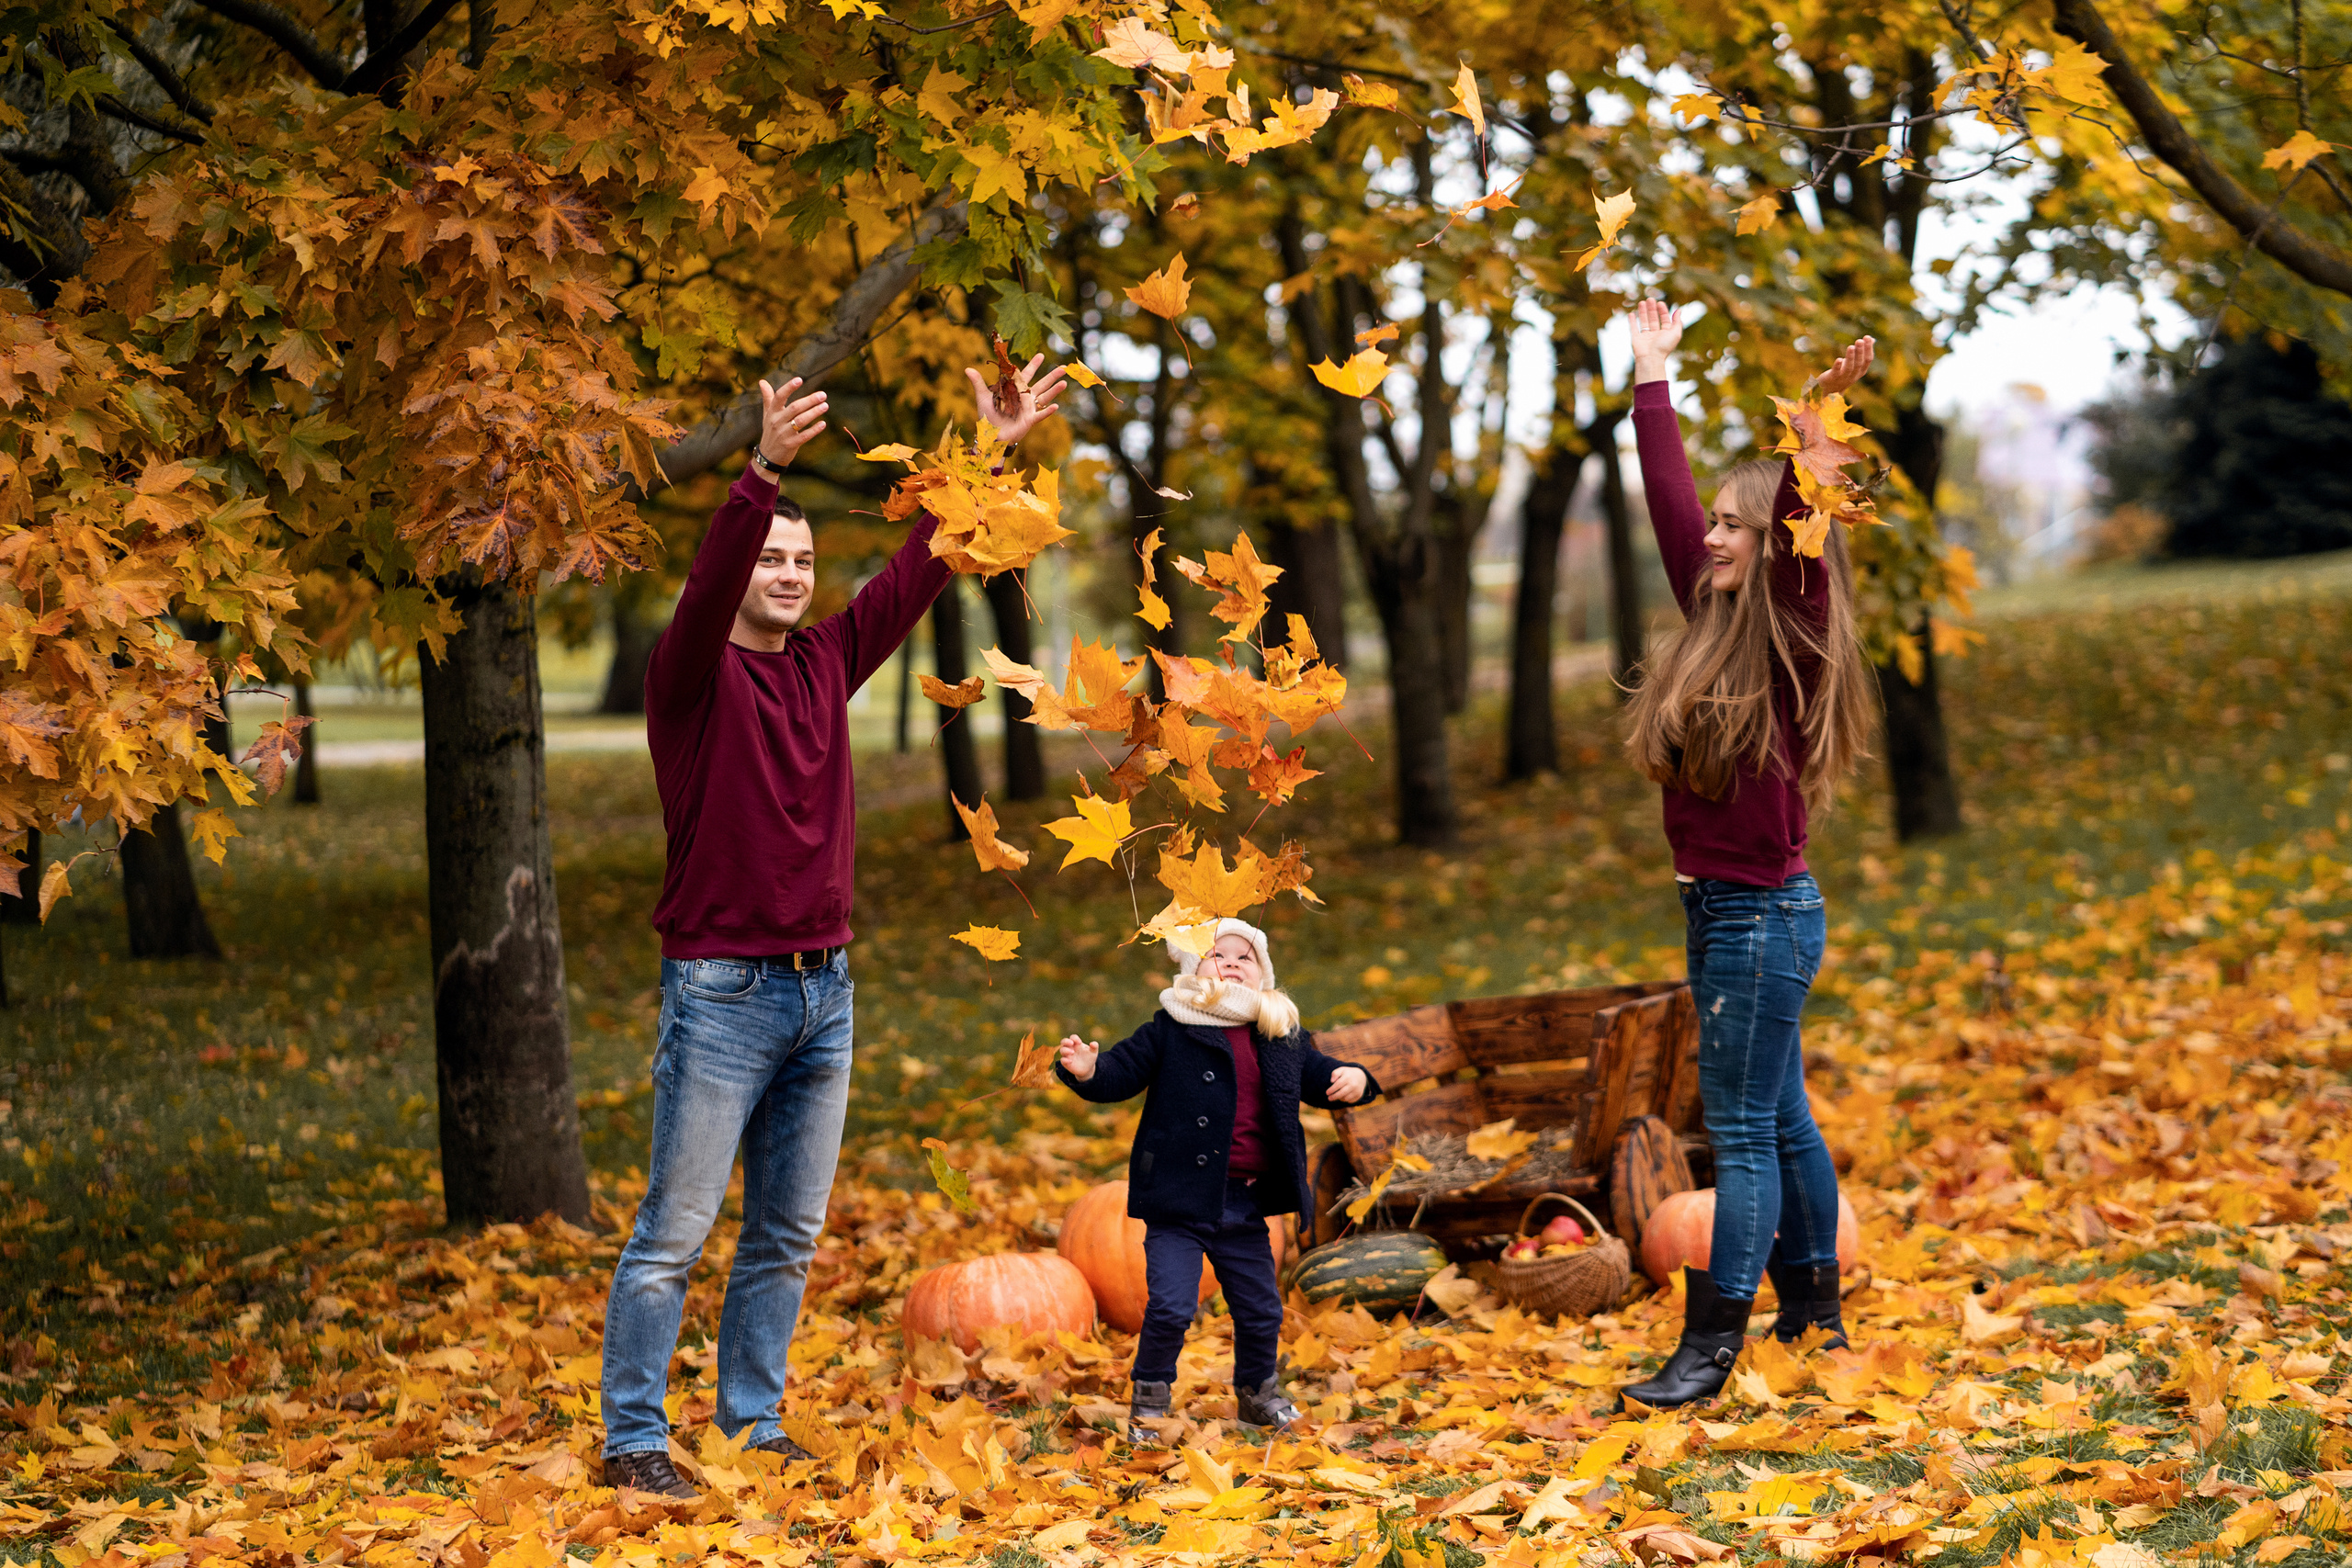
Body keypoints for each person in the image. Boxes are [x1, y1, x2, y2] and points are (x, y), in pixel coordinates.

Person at [600, 357, 1067, 1497]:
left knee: (786, 1238)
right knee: (675, 1232)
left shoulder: (825, 660)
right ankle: (632, 1441)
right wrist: (760, 474)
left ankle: (751, 1424)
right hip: (720, 993)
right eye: (774, 559)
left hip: (825, 993)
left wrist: (988, 451)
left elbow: (914, 572)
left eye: (805, 562)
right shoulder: (690, 678)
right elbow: (708, 581)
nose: (791, 576)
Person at [1614, 298, 1878, 1411]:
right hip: (1734, 912)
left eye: (1738, 526)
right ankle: (1813, 1311)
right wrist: (1650, 377)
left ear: (1777, 546)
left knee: (1739, 1134)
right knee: (1779, 1117)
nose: (1713, 538)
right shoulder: (1712, 617)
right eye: (1715, 525)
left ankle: (1710, 1346)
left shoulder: (1795, 638)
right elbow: (1669, 499)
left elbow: (1800, 554)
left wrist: (1810, 457)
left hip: (1758, 916)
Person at [1054, 919, 1381, 1439]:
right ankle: (1151, 1401)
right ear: (1192, 968)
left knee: (1260, 1308)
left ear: (1263, 976)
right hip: (1179, 1204)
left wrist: (1357, 1079)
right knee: (1169, 1306)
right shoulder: (1170, 1029)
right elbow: (1120, 1074)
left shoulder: (1280, 1036)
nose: (1231, 962)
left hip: (1245, 1204)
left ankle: (1258, 1394)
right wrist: (1089, 1070)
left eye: (1244, 956)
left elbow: (1324, 1077)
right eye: (1216, 954)